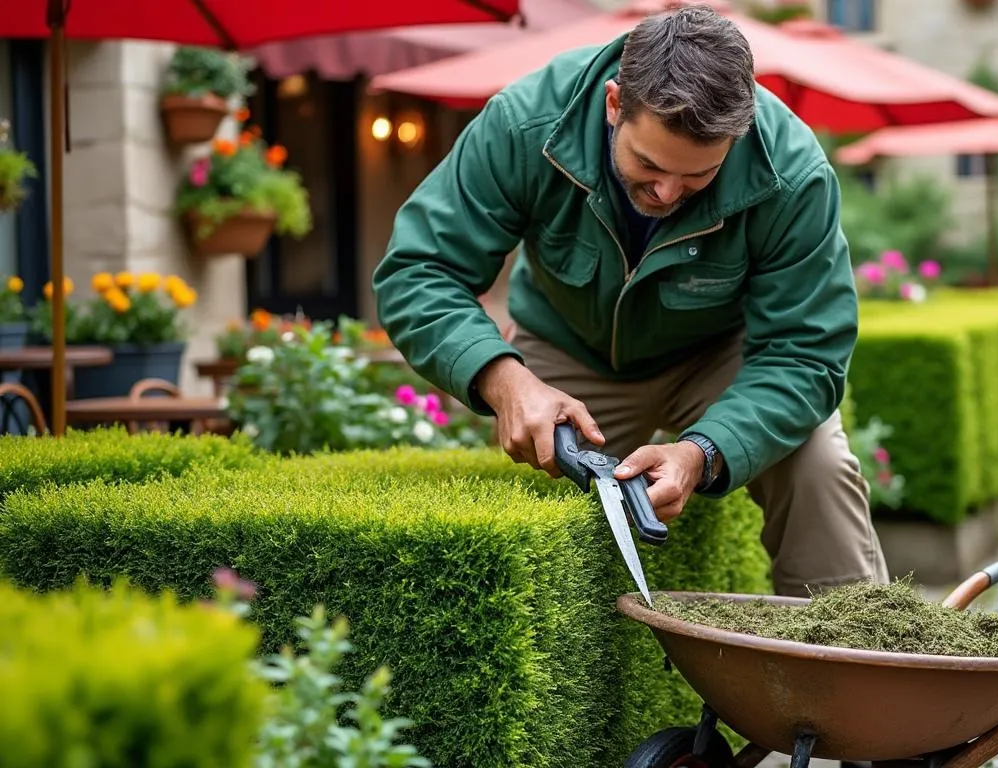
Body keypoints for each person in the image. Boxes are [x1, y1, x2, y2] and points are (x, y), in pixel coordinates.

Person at [372, 5, 888, 598]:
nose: (667, 192)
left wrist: (704, 450)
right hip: (569, 354)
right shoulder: (523, 124)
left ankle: (850, 660)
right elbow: (419, 270)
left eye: (698, 178)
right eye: (648, 164)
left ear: (737, 136)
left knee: (819, 467)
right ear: (615, 104)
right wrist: (503, 380)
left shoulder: (794, 175)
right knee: (538, 531)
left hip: (722, 359)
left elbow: (806, 355)